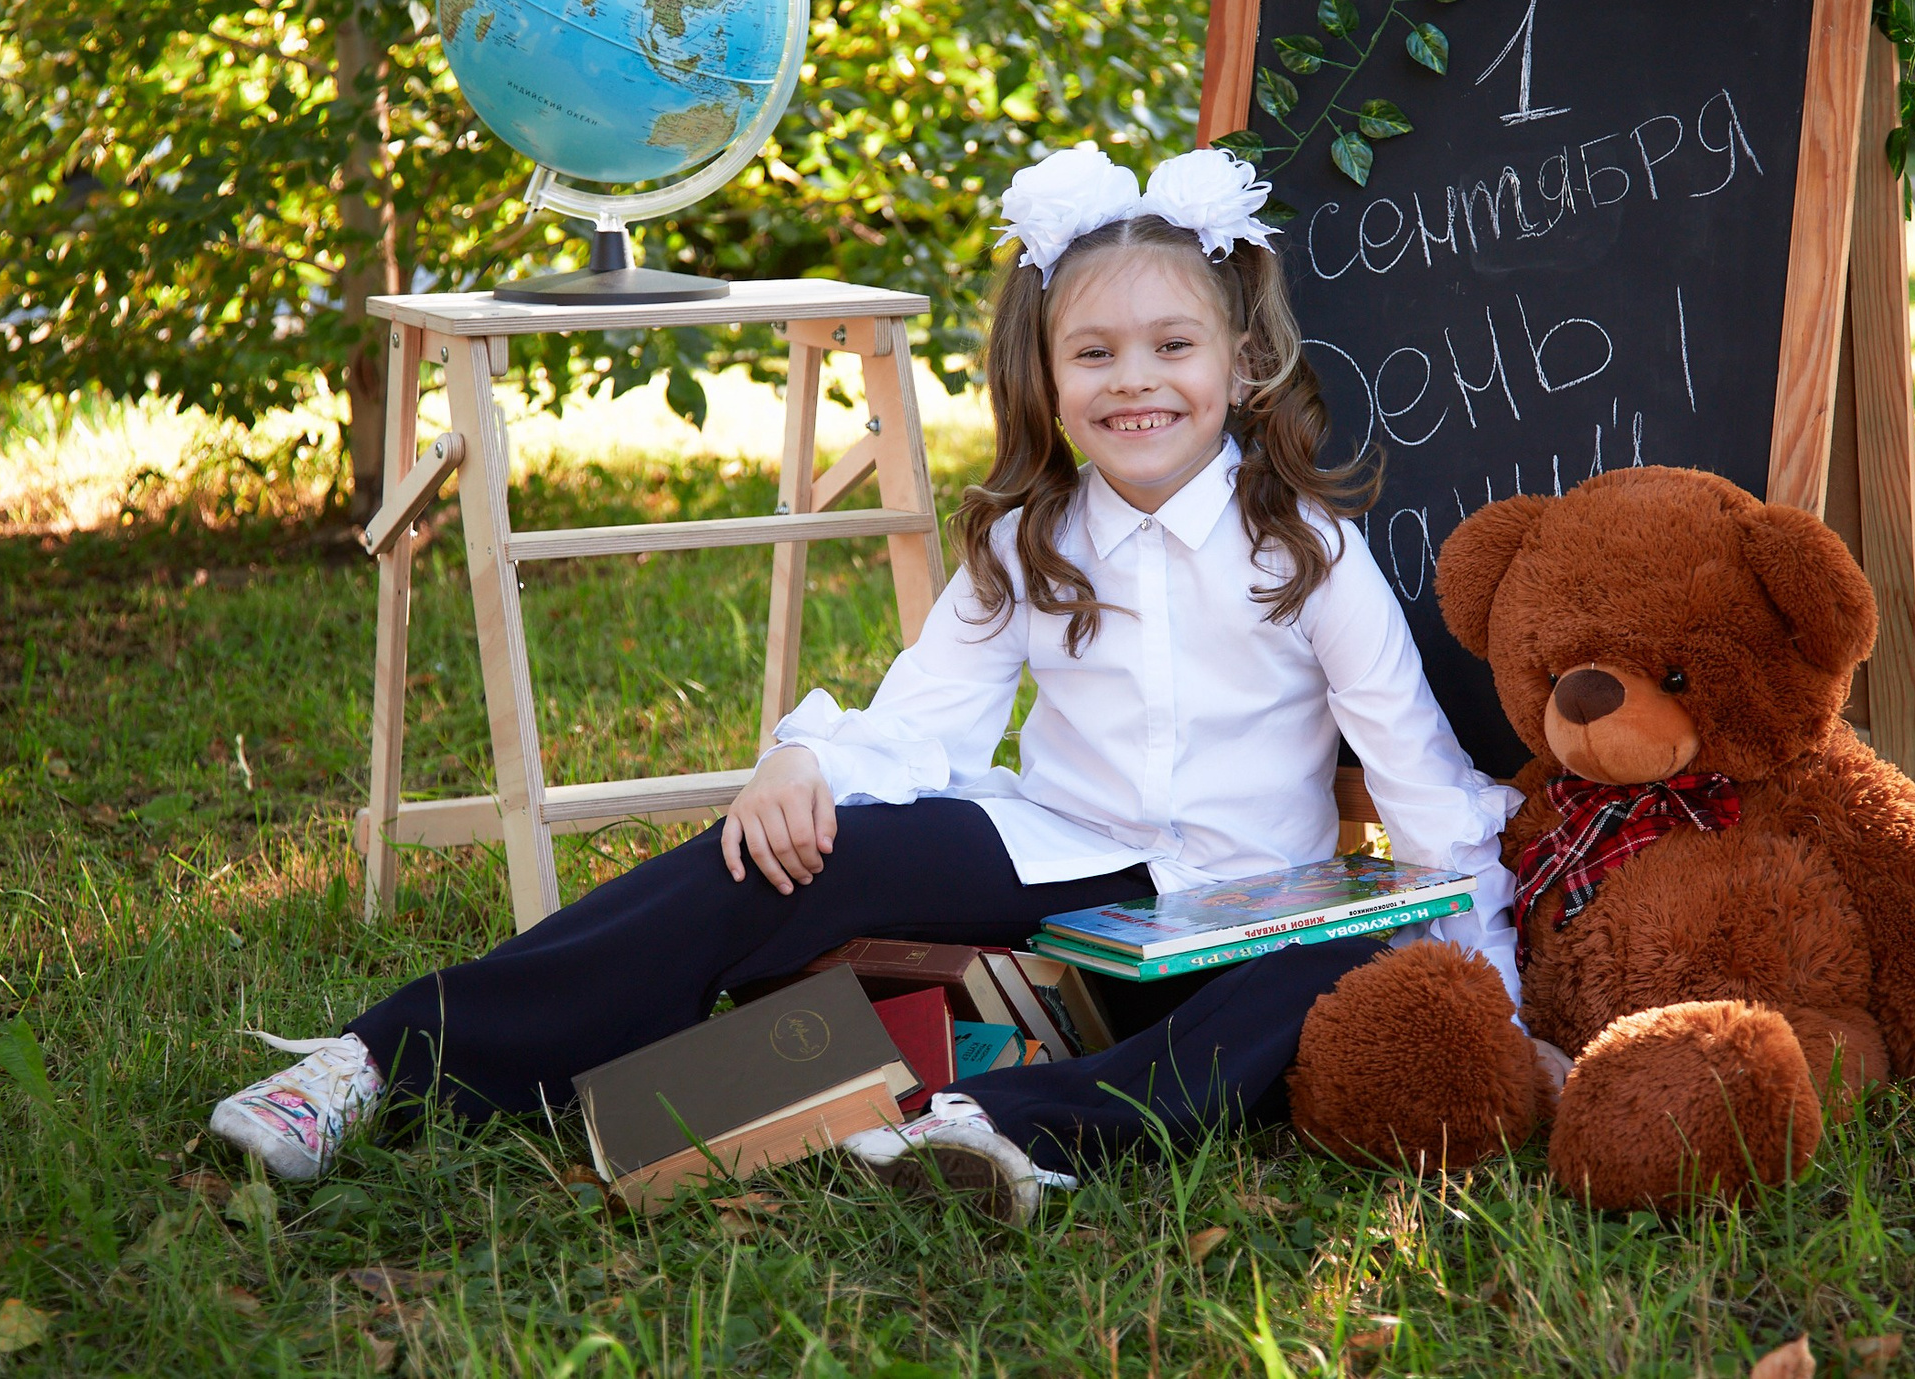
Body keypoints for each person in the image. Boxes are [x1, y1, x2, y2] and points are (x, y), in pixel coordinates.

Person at [209, 143, 1524, 1222]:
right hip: (1066, 860)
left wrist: (1502, 999)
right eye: (1096, 354)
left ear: (1239, 366)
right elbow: (923, 725)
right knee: (775, 854)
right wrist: (803, 767)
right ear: (1047, 377)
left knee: (1341, 965)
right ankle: (381, 1063)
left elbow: (1419, 784)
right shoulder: (1029, 541)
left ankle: (996, 1131)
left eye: (1173, 348)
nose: (1137, 382)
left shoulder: (1313, 557)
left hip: (1248, 902)